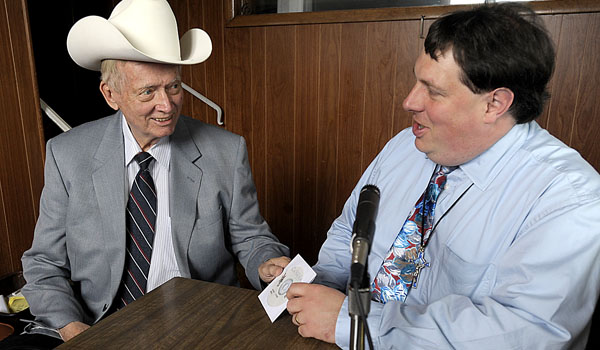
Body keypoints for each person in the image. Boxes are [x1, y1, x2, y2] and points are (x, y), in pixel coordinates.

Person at [286, 3, 600, 349]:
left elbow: (525, 333)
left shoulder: (570, 199)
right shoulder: (404, 146)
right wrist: (316, 286)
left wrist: (356, 321)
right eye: (415, 81)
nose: (408, 101)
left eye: (433, 91)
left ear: (495, 103)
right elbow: (349, 231)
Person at [17, 0, 289, 345]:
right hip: (99, 323)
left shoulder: (226, 150)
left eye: (173, 86)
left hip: (200, 321)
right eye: (148, 91)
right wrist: (75, 332)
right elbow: (44, 263)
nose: (167, 104)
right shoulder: (67, 154)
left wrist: (267, 263)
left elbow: (251, 238)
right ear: (110, 94)